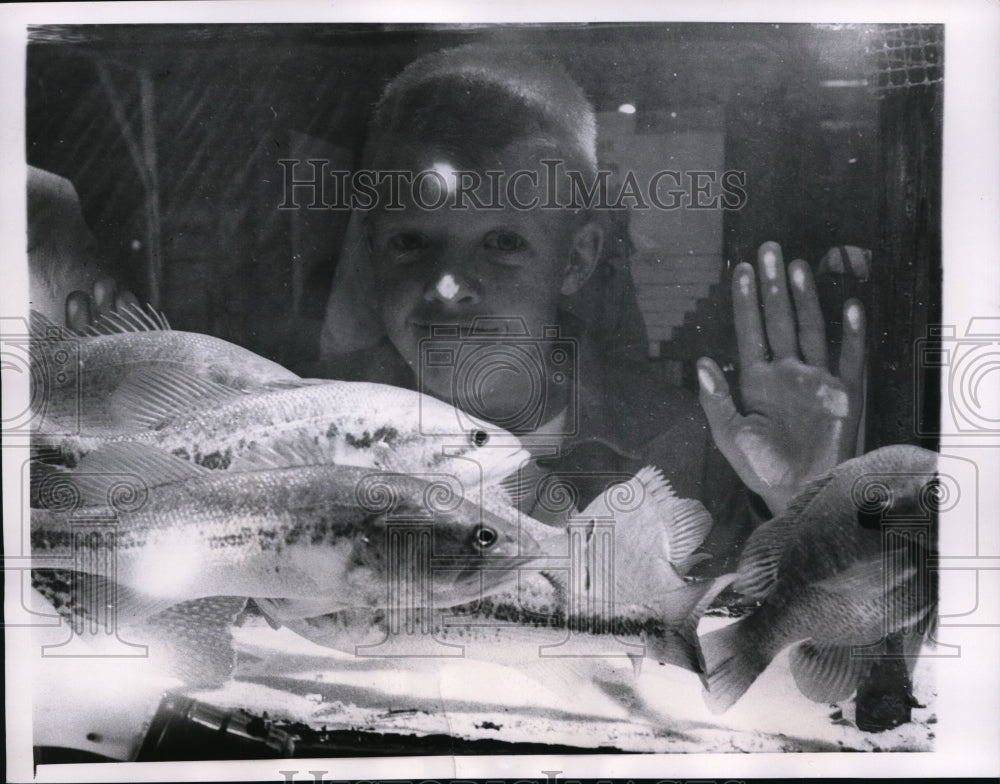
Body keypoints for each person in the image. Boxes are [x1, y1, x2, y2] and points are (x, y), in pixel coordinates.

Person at [51, 44, 866, 574]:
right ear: (370, 248)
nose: (446, 288)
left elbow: (801, 689)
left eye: (502, 243)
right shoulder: (274, 424)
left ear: (578, 256)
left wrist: (808, 501)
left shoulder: (690, 451)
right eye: (412, 244)